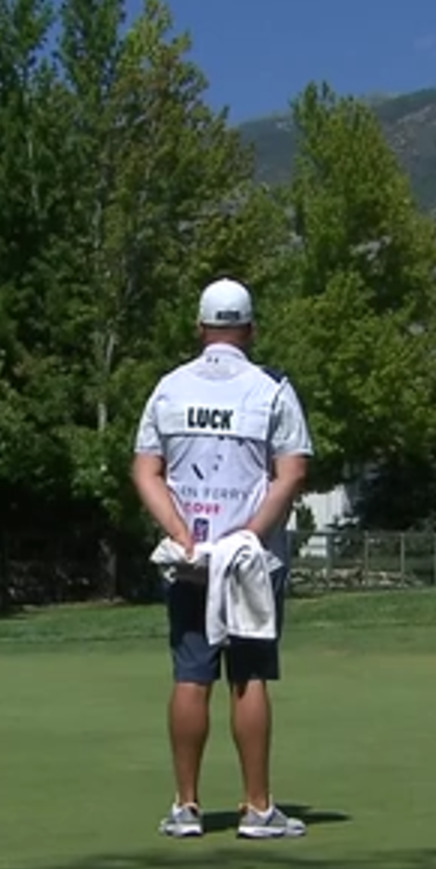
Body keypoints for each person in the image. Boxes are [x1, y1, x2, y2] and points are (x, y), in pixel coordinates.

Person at [131, 277, 312, 840]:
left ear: (200, 327)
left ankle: (186, 807)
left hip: (191, 559)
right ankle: (257, 809)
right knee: (249, 676)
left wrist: (182, 533)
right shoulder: (271, 389)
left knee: (191, 674)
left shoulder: (170, 387)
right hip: (250, 563)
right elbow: (293, 473)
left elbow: (146, 469)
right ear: (251, 329)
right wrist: (251, 537)